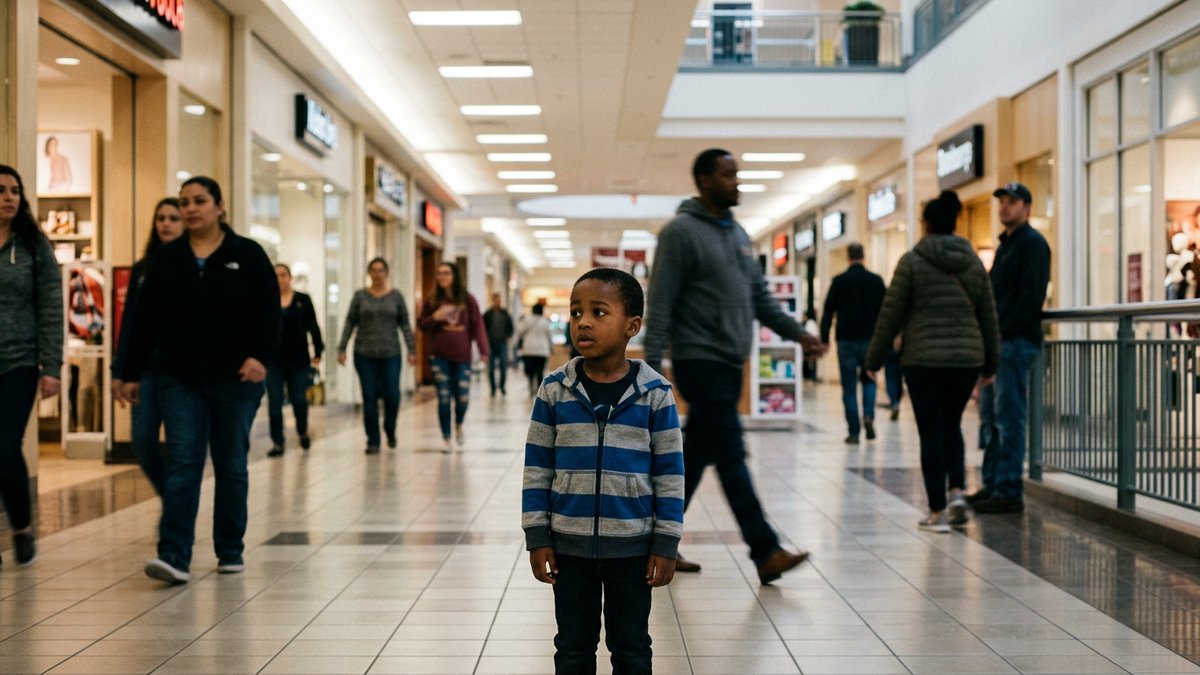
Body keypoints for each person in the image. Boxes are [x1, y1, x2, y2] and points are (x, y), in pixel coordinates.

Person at [643, 148, 824, 583]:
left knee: (697, 454)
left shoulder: (739, 234)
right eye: (728, 175)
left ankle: (652, 542)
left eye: (736, 174)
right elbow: (661, 303)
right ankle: (764, 549)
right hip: (698, 358)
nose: (736, 182)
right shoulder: (679, 234)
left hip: (727, 362)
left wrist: (798, 333)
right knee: (731, 453)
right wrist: (651, 367)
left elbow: (760, 299)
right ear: (704, 181)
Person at [523, 268, 683, 674]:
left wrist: (666, 544)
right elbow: (537, 467)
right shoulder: (554, 390)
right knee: (572, 648)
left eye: (598, 312)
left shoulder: (656, 395)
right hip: (568, 548)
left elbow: (670, 475)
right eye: (576, 313)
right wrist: (536, 536)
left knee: (631, 648)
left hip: (633, 549)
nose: (584, 322)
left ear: (632, 326)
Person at [121, 176, 280, 584]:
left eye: (199, 201)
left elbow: (268, 312)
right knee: (183, 462)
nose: (191, 209)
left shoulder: (246, 254)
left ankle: (230, 548)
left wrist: (259, 357)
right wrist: (130, 372)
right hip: (181, 378)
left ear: (220, 206)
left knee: (230, 463)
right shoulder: (168, 259)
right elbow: (145, 321)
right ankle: (174, 554)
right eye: (184, 202)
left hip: (236, 379)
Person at [865, 190, 1000, 532]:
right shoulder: (972, 263)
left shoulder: (912, 261)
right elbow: (988, 316)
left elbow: (889, 314)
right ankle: (957, 491)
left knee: (930, 431)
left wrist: (874, 358)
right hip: (965, 359)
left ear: (926, 224)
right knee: (952, 424)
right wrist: (990, 365)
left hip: (923, 359)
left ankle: (937, 510)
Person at [970, 182, 1051, 514]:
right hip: (1000, 344)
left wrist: (1000, 334)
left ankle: (1008, 489)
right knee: (991, 416)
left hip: (1015, 344)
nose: (1004, 207)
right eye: (1002, 202)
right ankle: (993, 483)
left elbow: (1030, 298)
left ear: (1027, 207)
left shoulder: (1032, 245)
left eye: (1012, 202)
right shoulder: (1006, 246)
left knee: (1009, 417)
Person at [0, 165, 63, 567]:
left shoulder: (33, 245)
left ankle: (22, 527)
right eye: (1, 190)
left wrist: (52, 365)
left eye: (14, 191)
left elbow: (51, 307)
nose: (8, 197)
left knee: (5, 447)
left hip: (18, 362)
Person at [111, 198, 184, 493]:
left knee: (183, 445)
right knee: (142, 440)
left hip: (181, 371)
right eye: (161, 218)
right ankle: (172, 500)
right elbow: (129, 323)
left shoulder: (192, 265)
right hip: (147, 371)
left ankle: (177, 510)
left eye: (173, 218)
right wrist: (121, 371)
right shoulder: (143, 268)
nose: (166, 224)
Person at [337, 258, 417, 455]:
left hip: (391, 353)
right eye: (373, 270)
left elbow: (405, 324)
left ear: (387, 273)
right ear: (369, 273)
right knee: (369, 396)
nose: (377, 274)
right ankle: (373, 439)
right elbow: (350, 322)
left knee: (392, 394)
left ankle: (390, 427)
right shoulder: (360, 296)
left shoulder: (396, 296)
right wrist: (342, 347)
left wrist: (412, 349)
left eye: (381, 270)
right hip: (364, 354)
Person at [417, 262, 489, 451]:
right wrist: (435, 317)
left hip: (462, 357)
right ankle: (446, 437)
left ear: (455, 276)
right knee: (443, 396)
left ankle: (458, 424)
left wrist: (483, 350)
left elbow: (478, 325)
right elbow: (422, 325)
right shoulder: (431, 300)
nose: (442, 277)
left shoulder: (467, 299)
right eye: (439, 273)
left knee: (462, 397)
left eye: (446, 273)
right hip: (438, 356)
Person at [819, 242, 886, 444]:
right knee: (869, 380)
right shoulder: (876, 281)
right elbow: (886, 312)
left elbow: (828, 311)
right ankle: (868, 415)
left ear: (848, 257)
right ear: (863, 256)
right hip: (870, 340)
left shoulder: (839, 281)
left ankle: (854, 432)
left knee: (848, 387)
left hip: (846, 340)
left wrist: (824, 339)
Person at [266, 263, 324, 457]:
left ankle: (302, 430)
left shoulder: (302, 300)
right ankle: (278, 442)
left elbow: (313, 326)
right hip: (273, 360)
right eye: (275, 276)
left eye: (283, 275)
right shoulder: (267, 300)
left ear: (290, 278)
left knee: (299, 399)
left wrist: (318, 351)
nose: (279, 279)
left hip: (298, 360)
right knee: (274, 402)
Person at [515, 303, 553, 397]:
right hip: (542, 351)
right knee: (540, 371)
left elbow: (519, 331)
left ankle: (531, 386)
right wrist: (551, 347)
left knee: (530, 370)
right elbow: (550, 336)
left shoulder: (527, 320)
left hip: (529, 350)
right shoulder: (545, 321)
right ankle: (539, 390)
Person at [483, 292, 514, 397]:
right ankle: (492, 388)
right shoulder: (487, 314)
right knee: (491, 368)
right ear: (493, 300)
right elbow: (483, 329)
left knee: (503, 367)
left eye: (499, 300)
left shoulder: (505, 314)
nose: (497, 302)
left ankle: (502, 387)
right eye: (496, 300)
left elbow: (511, 327)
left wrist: (508, 335)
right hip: (490, 344)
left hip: (502, 344)